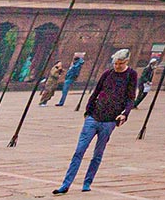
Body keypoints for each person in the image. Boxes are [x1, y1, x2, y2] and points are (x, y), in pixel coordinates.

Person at [51, 48, 138, 195]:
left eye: (120, 63)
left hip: (110, 120)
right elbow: (96, 91)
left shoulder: (131, 75)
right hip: (94, 116)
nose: (117, 66)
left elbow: (130, 98)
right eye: (115, 63)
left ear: (126, 62)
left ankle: (87, 182)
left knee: (97, 154)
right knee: (79, 151)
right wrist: (88, 111)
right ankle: (66, 184)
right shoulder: (108, 74)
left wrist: (125, 114)